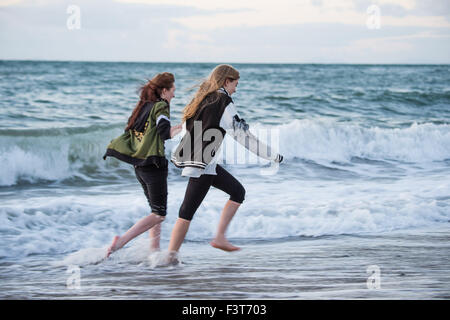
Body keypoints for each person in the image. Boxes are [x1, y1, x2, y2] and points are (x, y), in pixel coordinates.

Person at [169, 64, 283, 259]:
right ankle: (170, 257)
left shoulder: (203, 99)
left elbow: (192, 130)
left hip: (200, 162)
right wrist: (272, 155)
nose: (236, 89)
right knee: (187, 211)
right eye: (235, 84)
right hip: (203, 165)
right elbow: (243, 136)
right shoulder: (224, 101)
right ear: (226, 81)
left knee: (237, 192)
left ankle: (218, 238)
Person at [102, 72, 182, 258]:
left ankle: (154, 251)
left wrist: (177, 127)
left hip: (139, 165)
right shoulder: (161, 106)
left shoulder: (143, 106)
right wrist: (183, 127)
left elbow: (138, 132)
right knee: (159, 214)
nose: (174, 95)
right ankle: (119, 243)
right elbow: (164, 133)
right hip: (154, 165)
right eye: (173, 91)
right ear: (164, 91)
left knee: (155, 211)